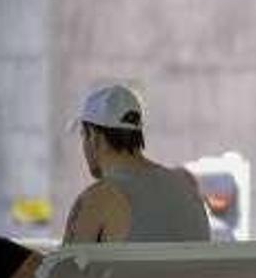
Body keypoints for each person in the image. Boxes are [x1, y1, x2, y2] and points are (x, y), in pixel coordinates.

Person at [63, 85, 211, 244]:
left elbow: (63, 269)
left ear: (95, 137)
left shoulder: (96, 200)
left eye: (83, 135)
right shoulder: (187, 187)